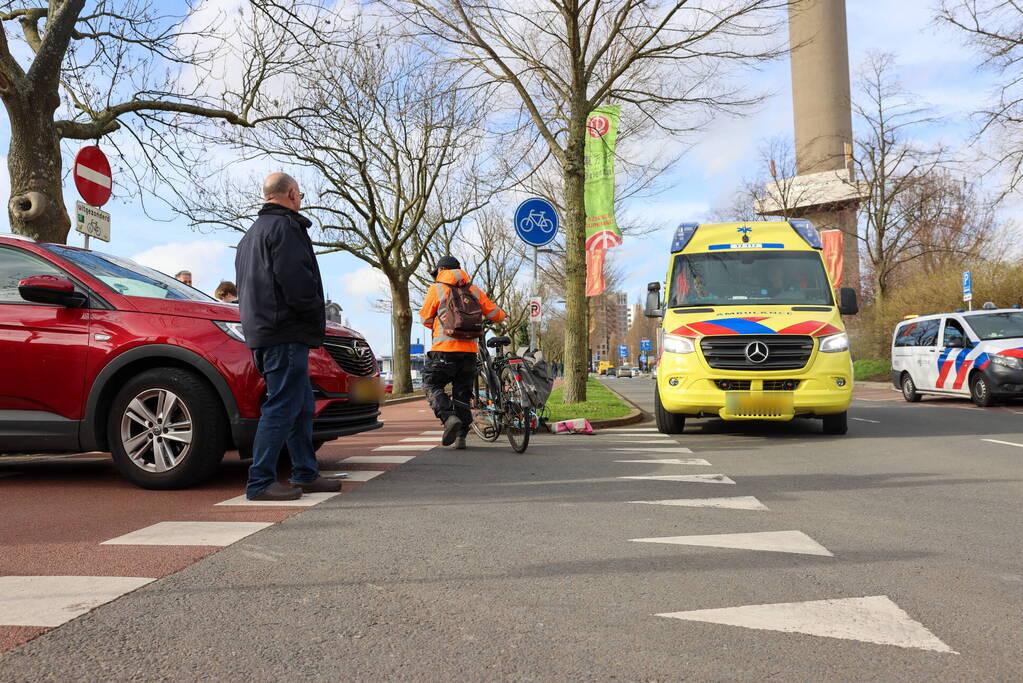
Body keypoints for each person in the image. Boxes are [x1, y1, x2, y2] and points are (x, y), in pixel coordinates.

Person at [234, 172, 341, 501]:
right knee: (282, 406)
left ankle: (306, 473)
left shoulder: (249, 236)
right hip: (285, 332)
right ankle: (260, 481)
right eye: (301, 193)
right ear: (292, 193)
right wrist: (314, 318)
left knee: (300, 404)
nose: (301, 199)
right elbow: (297, 282)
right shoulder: (287, 228)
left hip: (263, 332)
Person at [419, 256, 505, 450]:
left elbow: (425, 318)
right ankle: (461, 437)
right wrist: (500, 315)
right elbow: (496, 315)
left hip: (443, 351)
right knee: (462, 394)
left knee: (431, 383)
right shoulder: (474, 290)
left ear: (441, 270)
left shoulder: (437, 289)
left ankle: (448, 417)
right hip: (469, 353)